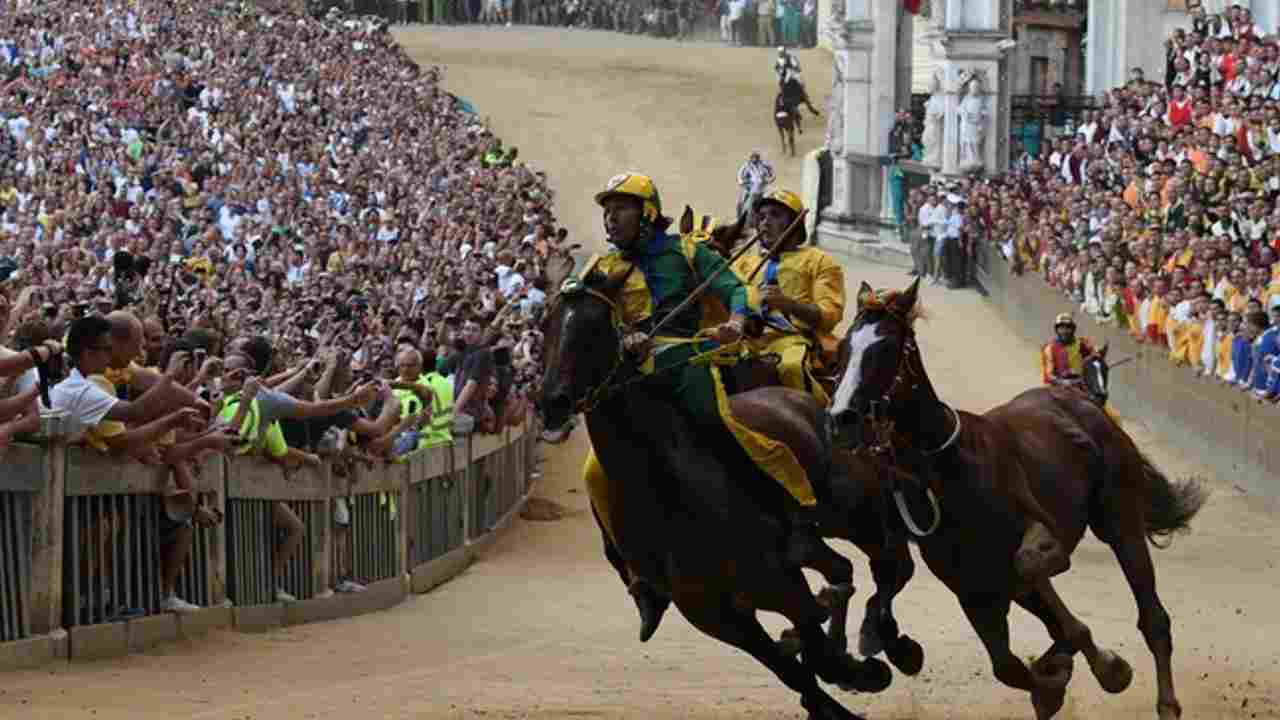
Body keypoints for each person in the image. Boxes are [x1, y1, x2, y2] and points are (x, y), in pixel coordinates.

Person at [581, 172, 820, 643]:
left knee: (720, 426)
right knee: (594, 474)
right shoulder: (601, 266)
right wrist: (616, 335)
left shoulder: (688, 252)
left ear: (648, 213)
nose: (610, 216)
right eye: (606, 209)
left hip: (687, 362)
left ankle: (798, 514)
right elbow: (587, 320)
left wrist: (735, 319)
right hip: (635, 379)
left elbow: (736, 288)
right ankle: (638, 579)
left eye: (621, 207)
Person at [731, 189, 844, 406]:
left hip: (792, 339)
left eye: (775, 215)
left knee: (791, 367)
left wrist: (789, 304)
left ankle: (826, 422)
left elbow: (829, 315)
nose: (765, 222)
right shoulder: (743, 264)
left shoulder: (819, 261)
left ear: (795, 224)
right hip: (746, 339)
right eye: (762, 217)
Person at [1040, 313, 1098, 388]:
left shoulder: (1082, 344)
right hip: (1059, 386)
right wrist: (1062, 382)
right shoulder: (1050, 348)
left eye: (1068, 328)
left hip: (1081, 384)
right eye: (1061, 328)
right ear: (1057, 330)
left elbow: (1095, 358)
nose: (1064, 331)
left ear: (1073, 329)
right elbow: (1049, 375)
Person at [736, 152, 775, 225]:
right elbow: (740, 176)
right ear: (750, 159)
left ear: (758, 158)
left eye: (756, 158)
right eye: (753, 158)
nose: (754, 159)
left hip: (762, 189)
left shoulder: (764, 165)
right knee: (742, 204)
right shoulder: (746, 166)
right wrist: (744, 183)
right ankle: (741, 221)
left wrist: (768, 180)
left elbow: (772, 174)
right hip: (750, 189)